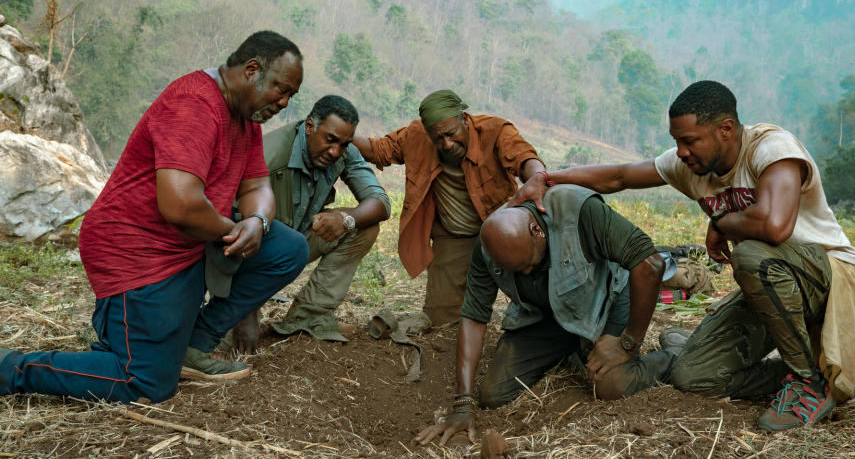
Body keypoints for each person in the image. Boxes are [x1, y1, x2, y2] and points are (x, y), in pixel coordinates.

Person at [509, 80, 855, 432]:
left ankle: (809, 383)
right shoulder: (691, 166)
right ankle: (795, 372)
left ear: (726, 129)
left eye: (689, 140)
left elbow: (776, 227)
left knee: (753, 258)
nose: (681, 151)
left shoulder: (772, 149)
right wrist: (546, 177)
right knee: (693, 376)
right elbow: (619, 177)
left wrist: (723, 222)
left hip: (826, 277)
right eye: (676, 141)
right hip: (771, 291)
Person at [0, 31, 310, 403]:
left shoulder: (246, 120)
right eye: (281, 89)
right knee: (145, 382)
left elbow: (257, 186)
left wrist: (257, 223)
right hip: (136, 249)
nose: (284, 101)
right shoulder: (194, 103)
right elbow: (179, 206)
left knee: (287, 248)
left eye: (292, 94)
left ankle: (193, 345)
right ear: (252, 70)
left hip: (189, 245)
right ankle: (11, 368)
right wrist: (232, 231)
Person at [413, 184, 665, 446]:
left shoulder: (578, 211)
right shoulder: (489, 244)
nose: (524, 275)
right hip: (548, 314)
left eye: (528, 265)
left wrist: (627, 342)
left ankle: (670, 358)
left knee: (611, 385)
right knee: (493, 394)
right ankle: (575, 347)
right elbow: (474, 317)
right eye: (515, 271)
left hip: (606, 301)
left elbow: (650, 264)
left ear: (537, 231)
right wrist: (463, 404)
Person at [353, 90, 546, 325]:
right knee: (441, 318)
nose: (447, 144)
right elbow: (377, 150)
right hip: (454, 237)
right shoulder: (416, 136)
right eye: (438, 139)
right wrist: (341, 134)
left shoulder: (495, 131)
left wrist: (537, 177)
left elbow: (523, 157)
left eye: (451, 134)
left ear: (464, 119)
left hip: (502, 232)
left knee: (536, 303)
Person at [229, 95, 390, 352]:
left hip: (295, 243)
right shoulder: (268, 156)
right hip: (253, 255)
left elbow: (380, 202)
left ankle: (308, 315)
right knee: (221, 339)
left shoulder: (343, 153)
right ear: (309, 127)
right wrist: (246, 311)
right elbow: (232, 233)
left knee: (364, 224)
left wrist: (346, 220)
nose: (335, 151)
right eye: (330, 140)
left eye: (344, 144)